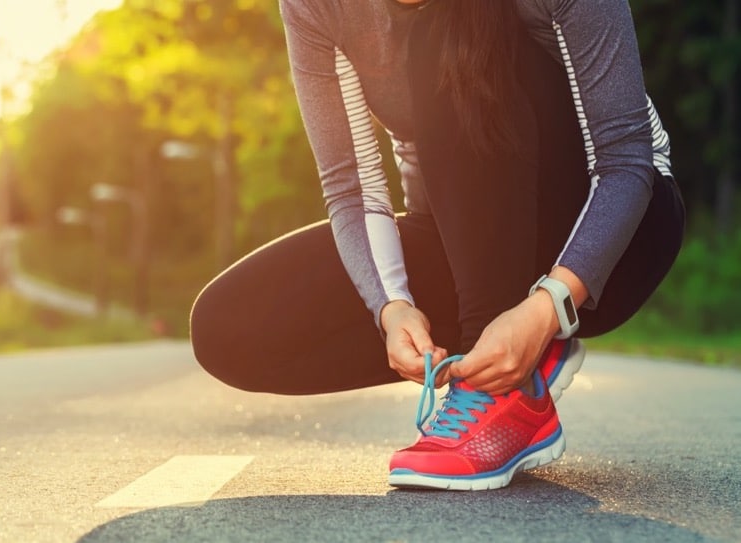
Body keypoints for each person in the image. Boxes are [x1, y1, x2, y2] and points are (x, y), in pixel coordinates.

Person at [190, 0, 685, 490]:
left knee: (443, 29)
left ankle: (505, 393)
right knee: (228, 327)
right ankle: (506, 347)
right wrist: (392, 308)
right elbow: (353, 188)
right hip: (468, 240)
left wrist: (549, 307)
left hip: (615, 241)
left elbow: (627, 160)